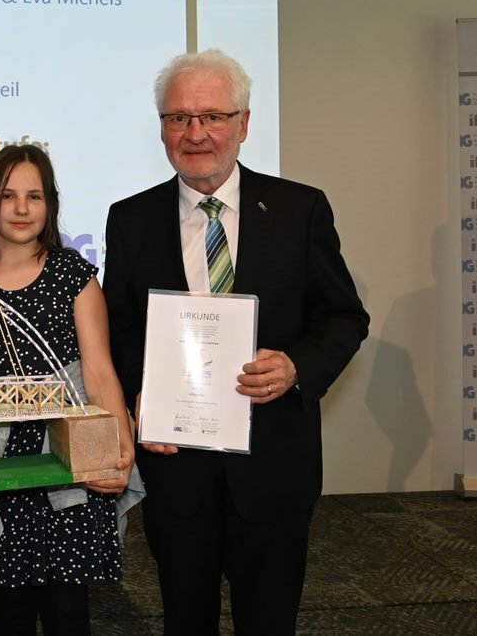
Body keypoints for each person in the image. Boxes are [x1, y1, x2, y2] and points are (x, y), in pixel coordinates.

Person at [102, 49, 369, 635]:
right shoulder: (130, 219)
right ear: (163, 128)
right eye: (179, 118)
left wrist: (296, 365)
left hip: (274, 461)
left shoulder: (300, 209)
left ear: (244, 123)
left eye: (213, 117)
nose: (195, 133)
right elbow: (118, 327)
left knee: (269, 620)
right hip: (176, 465)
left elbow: (344, 317)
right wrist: (140, 392)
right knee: (185, 618)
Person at [0, 144, 135, 636]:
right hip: (1, 464)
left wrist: (120, 451)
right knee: (10, 610)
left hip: (69, 460)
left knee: (67, 611)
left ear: (49, 203)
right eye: (8, 195)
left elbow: (100, 372)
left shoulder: (74, 275)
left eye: (34, 196)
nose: (21, 208)